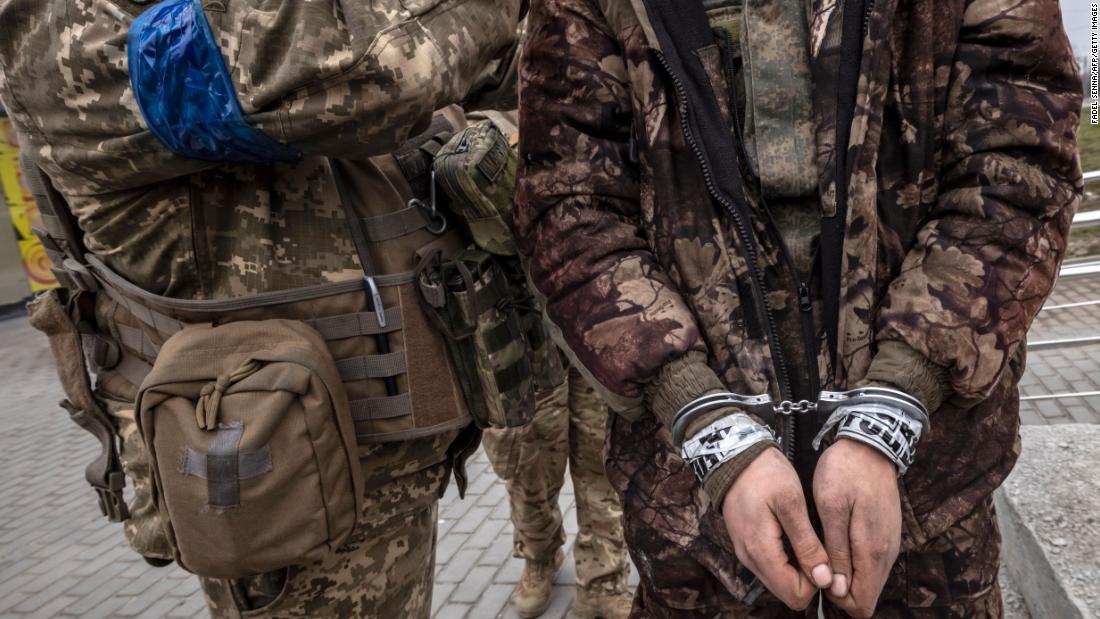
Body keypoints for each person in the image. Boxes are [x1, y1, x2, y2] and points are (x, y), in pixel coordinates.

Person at [514, 0, 1081, 616]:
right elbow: (568, 207)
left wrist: (897, 401)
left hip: (928, 496)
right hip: (694, 512)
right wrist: (705, 423)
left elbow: (1018, 174)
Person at [0, 0, 522, 616]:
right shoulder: (69, 21)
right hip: (276, 480)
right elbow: (377, 72)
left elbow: (500, 73)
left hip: (378, 451)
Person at [483, 356, 633, 619]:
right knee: (530, 466)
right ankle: (541, 557)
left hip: (595, 333)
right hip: (524, 337)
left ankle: (602, 581)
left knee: (601, 457)